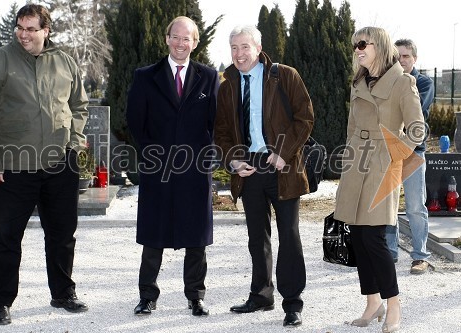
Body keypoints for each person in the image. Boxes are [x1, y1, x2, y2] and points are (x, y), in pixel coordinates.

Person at [0, 3, 89, 326]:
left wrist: (74, 142)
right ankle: (0, 302)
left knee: (63, 234)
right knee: (6, 237)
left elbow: (79, 104)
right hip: (14, 166)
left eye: (31, 29)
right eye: (20, 28)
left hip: (59, 164)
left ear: (45, 31)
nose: (24, 34)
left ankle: (63, 292)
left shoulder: (64, 61)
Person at [214, 25, 314, 327]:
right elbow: (221, 132)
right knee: (257, 237)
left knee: (289, 235)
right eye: (234, 47)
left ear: (259, 48)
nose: (239, 53)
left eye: (245, 46)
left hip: (282, 164)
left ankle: (293, 303)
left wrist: (283, 153)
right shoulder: (227, 83)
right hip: (248, 168)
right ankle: (261, 295)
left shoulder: (285, 75)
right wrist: (233, 161)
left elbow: (305, 117)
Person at [126, 16, 219, 317]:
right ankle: (147, 295)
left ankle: (195, 296)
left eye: (187, 38)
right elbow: (135, 121)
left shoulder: (209, 77)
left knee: (196, 237)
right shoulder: (145, 76)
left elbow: (215, 123)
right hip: (158, 168)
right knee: (154, 235)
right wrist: (154, 154)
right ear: (166, 39)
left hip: (194, 170)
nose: (181, 44)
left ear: (195, 42)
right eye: (175, 37)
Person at [334, 27, 425, 333]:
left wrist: (392, 154)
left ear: (379, 46)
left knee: (374, 238)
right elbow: (351, 126)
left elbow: (416, 129)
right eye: (354, 45)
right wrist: (349, 157)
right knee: (358, 237)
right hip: (357, 163)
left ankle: (394, 304)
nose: (357, 49)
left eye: (363, 44)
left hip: (382, 164)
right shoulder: (358, 81)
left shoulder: (403, 82)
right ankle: (373, 303)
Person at [385, 39, 434, 274]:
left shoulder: (424, 83)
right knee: (388, 204)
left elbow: (413, 113)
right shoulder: (387, 82)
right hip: (390, 151)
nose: (401, 60)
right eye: (397, 57)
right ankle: (390, 253)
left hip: (414, 152)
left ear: (414, 58)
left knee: (415, 205)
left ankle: (420, 256)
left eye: (405, 56)